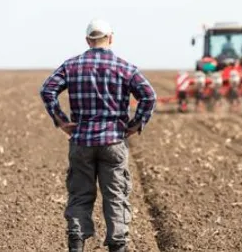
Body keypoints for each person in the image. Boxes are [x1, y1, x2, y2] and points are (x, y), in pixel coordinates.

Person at [39, 18, 157, 252]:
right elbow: (149, 96)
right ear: (111, 38)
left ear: (87, 40)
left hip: (81, 141)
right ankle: (118, 246)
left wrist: (62, 121)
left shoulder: (71, 66)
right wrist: (135, 125)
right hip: (113, 140)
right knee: (115, 196)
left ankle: (76, 245)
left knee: (80, 195)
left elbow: (47, 89)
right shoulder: (125, 67)